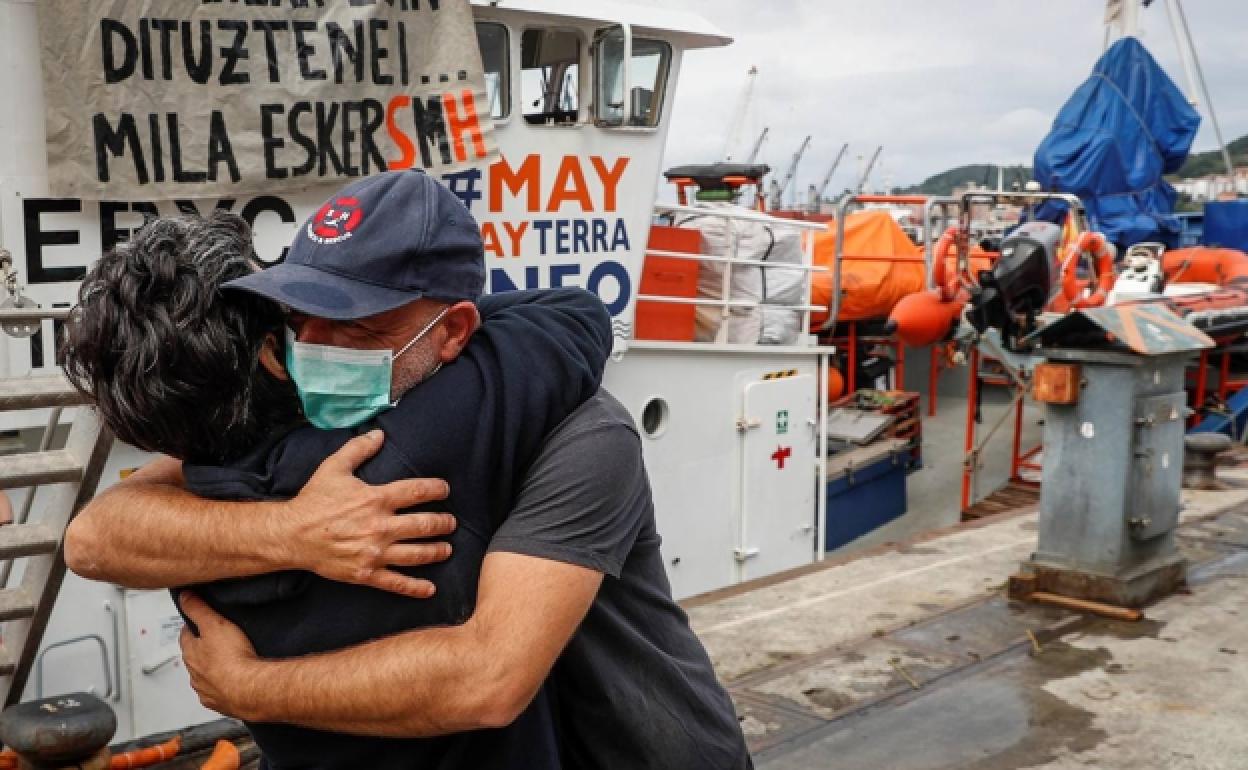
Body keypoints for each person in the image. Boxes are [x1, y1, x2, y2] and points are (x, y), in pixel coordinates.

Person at [67, 171, 753, 769]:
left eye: (357, 329)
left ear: (454, 331)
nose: (317, 350)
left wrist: (246, 688)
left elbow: (488, 678)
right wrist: (294, 530)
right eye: (301, 319)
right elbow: (94, 537)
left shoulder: (580, 434)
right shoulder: (299, 421)